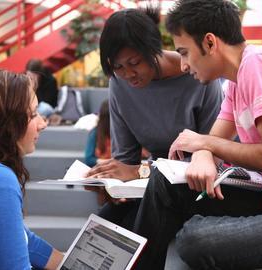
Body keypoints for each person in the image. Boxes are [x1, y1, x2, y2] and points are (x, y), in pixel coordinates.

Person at [131, 0, 262, 269]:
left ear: (210, 43)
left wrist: (206, 144)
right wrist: (203, 152)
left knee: (194, 240)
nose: (184, 65)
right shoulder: (237, 80)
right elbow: (213, 139)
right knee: (165, 180)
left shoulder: (261, 65)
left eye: (185, 53)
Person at [86, 6, 223, 230]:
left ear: (154, 50)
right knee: (102, 224)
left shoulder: (198, 76)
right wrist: (108, 181)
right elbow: (125, 159)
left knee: (134, 228)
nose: (128, 74)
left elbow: (212, 157)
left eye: (134, 63)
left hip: (196, 186)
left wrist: (140, 171)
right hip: (150, 184)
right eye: (117, 66)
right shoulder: (119, 83)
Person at [0, 68, 63, 269]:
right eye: (33, 114)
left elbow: (24, 240)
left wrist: (76, 263)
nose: (43, 124)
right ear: (5, 122)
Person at [84, 100, 111, 167]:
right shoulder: (95, 132)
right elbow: (89, 159)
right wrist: (109, 162)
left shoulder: (123, 133)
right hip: (100, 170)